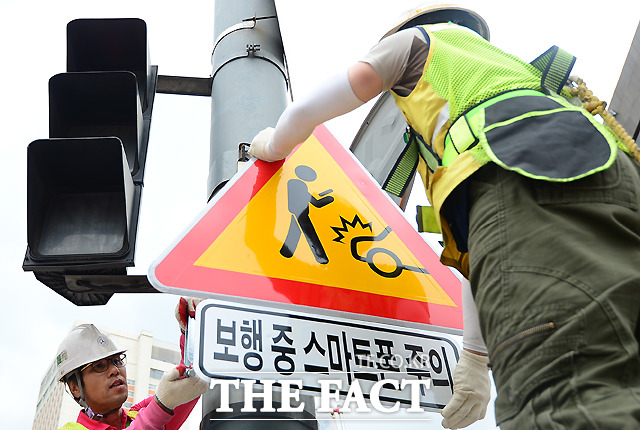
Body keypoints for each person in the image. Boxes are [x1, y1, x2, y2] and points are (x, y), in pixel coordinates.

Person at [248, 3, 640, 429]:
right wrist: (473, 359)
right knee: (622, 355)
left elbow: (316, 106)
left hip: (520, 170)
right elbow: (476, 249)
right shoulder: (510, 78)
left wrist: (273, 146)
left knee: (559, 388)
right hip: (616, 177)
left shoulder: (419, 43)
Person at [55, 322, 208, 430]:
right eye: (99, 366)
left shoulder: (138, 415)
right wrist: (160, 407)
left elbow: (192, 380)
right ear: (75, 388)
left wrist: (189, 327)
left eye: (116, 361)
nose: (115, 370)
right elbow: (160, 407)